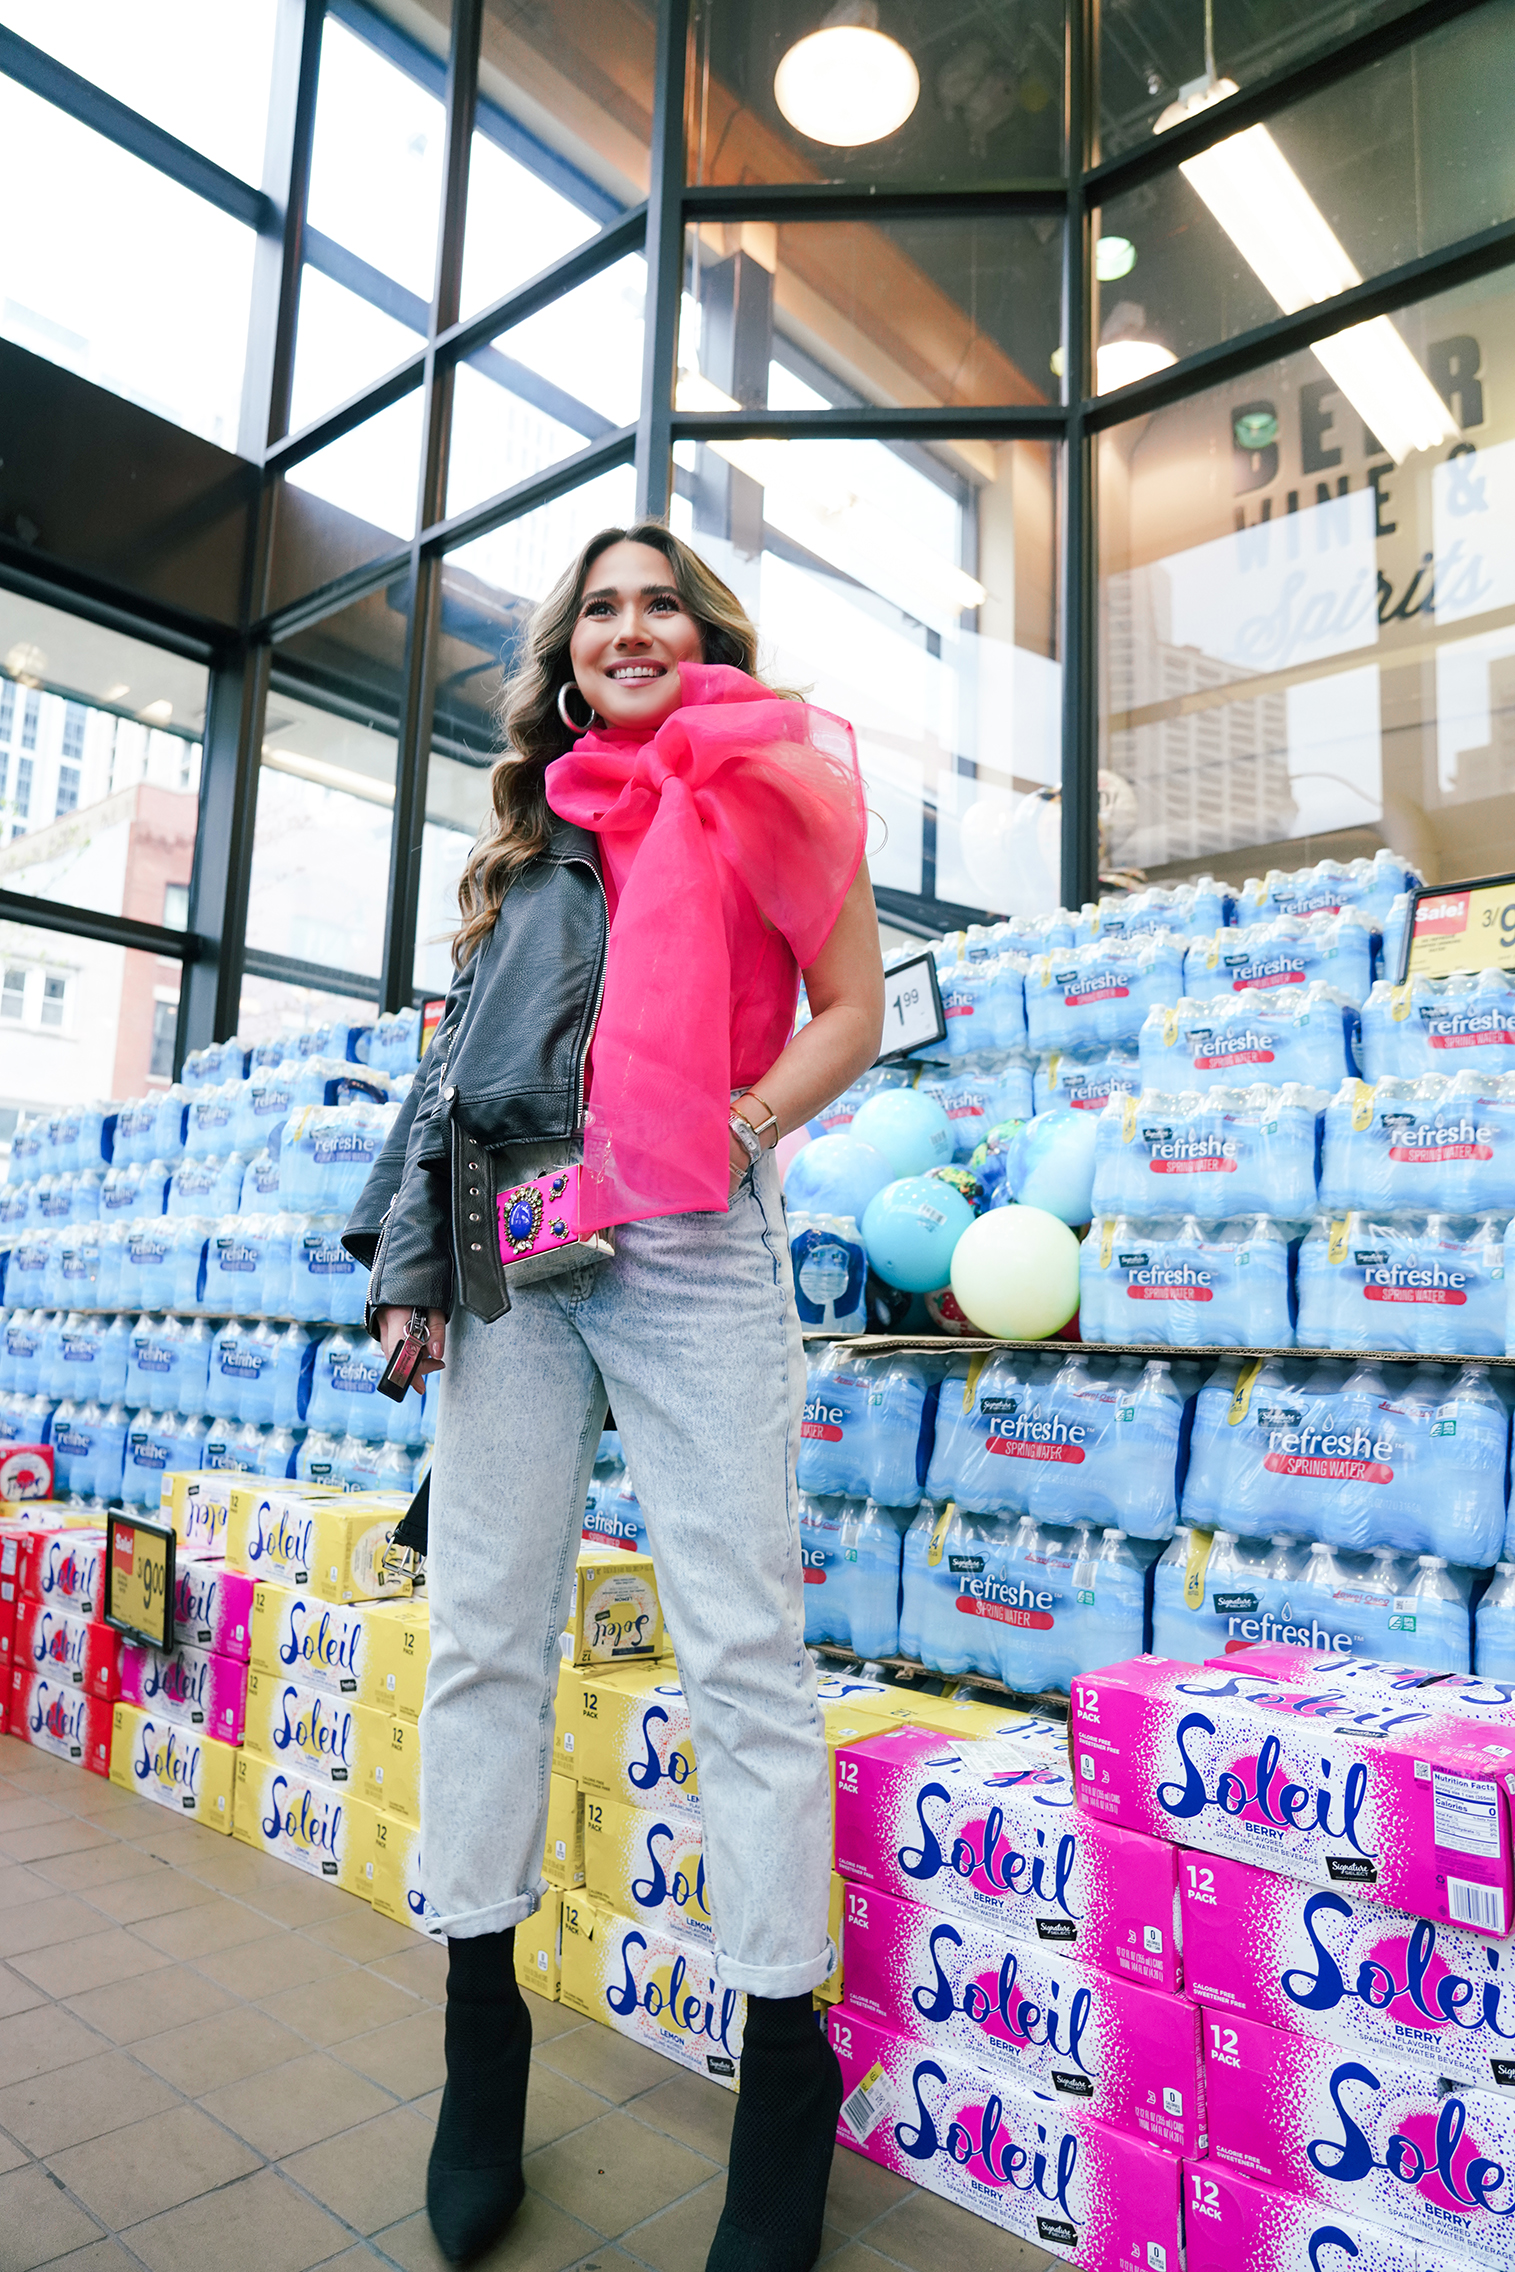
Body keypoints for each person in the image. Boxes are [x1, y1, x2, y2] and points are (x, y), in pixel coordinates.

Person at [344, 519, 885, 2270]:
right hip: (515, 1235)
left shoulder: (774, 787)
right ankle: (478, 2044)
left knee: (743, 1651)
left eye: (661, 603)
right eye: (601, 610)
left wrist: (736, 1126)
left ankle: (784, 2077)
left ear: (701, 629)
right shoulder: (528, 832)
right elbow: (457, 1065)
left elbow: (853, 1008)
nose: (631, 629)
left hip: (697, 1244)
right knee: (492, 1629)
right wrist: (414, 1265)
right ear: (569, 652)